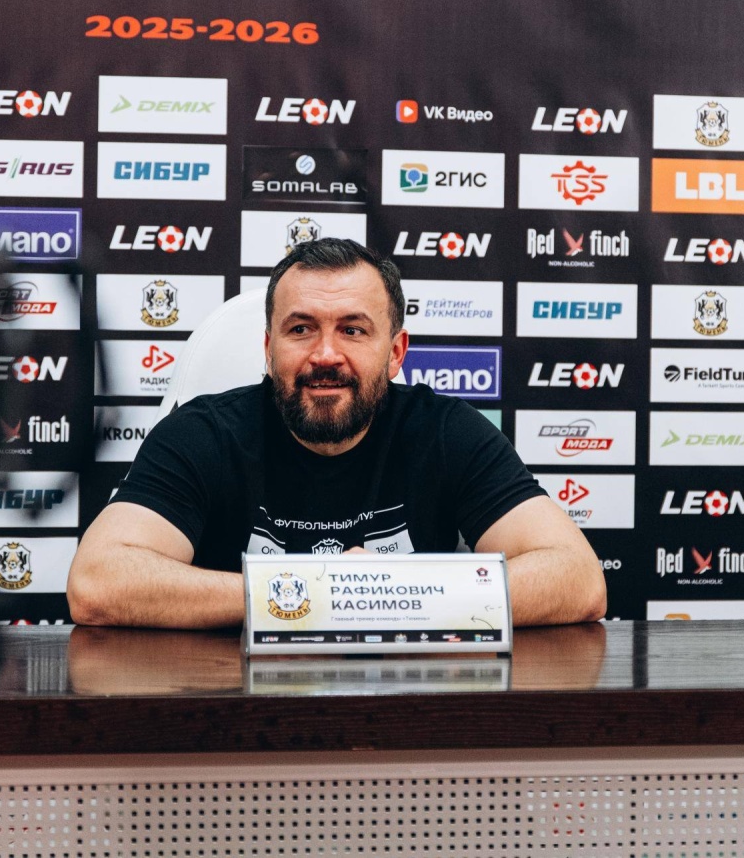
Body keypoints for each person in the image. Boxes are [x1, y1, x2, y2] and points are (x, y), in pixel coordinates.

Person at [66, 238, 607, 628]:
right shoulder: (202, 433)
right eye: (301, 329)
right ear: (269, 349)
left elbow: (578, 579)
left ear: (395, 352)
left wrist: (388, 593)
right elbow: (98, 583)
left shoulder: (445, 430)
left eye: (353, 330)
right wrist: (313, 592)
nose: (326, 355)